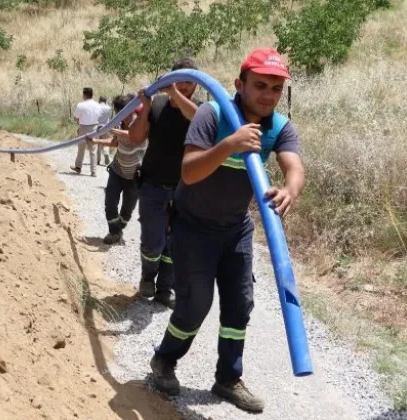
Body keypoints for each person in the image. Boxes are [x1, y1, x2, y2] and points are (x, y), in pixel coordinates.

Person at [148, 48, 305, 413]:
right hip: (192, 228)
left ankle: (228, 378)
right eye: (260, 85)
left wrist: (289, 189)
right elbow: (189, 172)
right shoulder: (212, 113)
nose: (267, 95)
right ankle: (165, 359)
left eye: (275, 88)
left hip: (236, 230)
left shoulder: (278, 127)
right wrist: (229, 145)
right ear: (240, 84)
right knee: (195, 305)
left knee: (239, 306)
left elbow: (294, 167)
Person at [128, 57, 201, 309]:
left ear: (197, 85)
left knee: (175, 242)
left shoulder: (202, 110)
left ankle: (165, 289)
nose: (183, 85)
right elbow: (136, 138)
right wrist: (146, 107)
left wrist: (172, 92)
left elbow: (194, 117)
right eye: (178, 79)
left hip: (186, 190)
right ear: (170, 78)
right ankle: (148, 277)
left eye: (189, 81)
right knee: (154, 240)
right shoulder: (157, 105)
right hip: (153, 186)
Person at [92, 94, 148, 245]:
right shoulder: (117, 124)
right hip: (117, 171)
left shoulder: (140, 122)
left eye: (126, 112)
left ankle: (119, 228)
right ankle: (114, 232)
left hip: (135, 175)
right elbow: (115, 143)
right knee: (110, 203)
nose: (124, 116)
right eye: (120, 113)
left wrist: (110, 129)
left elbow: (134, 137)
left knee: (127, 211)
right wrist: (95, 140)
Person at [71, 87, 100, 176]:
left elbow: (76, 118)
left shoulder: (81, 105)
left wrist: (79, 122)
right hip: (94, 127)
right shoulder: (97, 105)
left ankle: (78, 167)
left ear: (84, 94)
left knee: (81, 149)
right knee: (93, 150)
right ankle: (93, 171)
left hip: (83, 127)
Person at [96, 96, 113, 166]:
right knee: (106, 143)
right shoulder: (109, 108)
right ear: (105, 101)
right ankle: (106, 153)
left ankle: (98, 160)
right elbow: (111, 118)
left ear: (99, 100)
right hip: (106, 127)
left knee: (97, 144)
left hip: (97, 127)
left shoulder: (96, 107)